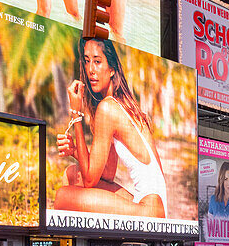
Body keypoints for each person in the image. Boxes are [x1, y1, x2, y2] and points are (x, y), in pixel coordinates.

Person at [55, 38, 170, 219]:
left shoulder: (107, 108)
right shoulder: (121, 103)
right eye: (87, 61)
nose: (91, 69)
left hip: (150, 210)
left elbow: (90, 179)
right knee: (72, 174)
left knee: (62, 197)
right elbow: (107, 173)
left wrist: (76, 113)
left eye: (97, 61)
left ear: (112, 70)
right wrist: (75, 151)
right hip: (153, 204)